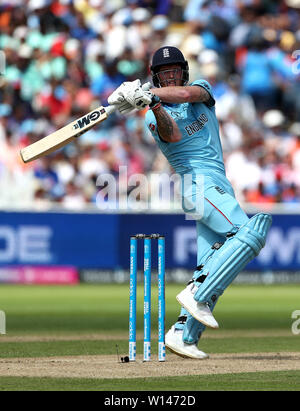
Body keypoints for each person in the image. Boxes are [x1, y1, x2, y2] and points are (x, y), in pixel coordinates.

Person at [108, 46, 272, 359]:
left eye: (175, 70)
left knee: (211, 262)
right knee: (250, 233)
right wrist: (154, 105)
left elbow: (186, 96)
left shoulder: (201, 90)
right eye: (164, 71)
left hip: (217, 184)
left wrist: (154, 94)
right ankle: (197, 294)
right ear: (156, 74)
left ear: (183, 71)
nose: (171, 74)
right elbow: (173, 138)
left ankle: (183, 334)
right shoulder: (152, 117)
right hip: (196, 183)